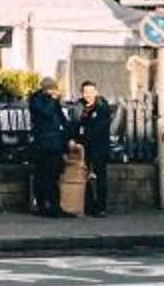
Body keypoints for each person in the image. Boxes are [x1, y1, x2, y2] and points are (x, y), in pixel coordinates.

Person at [26, 76, 72, 216]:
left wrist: (69, 135)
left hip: (56, 143)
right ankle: (43, 205)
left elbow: (61, 118)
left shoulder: (54, 101)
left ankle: (54, 205)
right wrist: (53, 100)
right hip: (43, 143)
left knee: (54, 175)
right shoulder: (36, 100)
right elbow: (45, 113)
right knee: (43, 175)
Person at [71, 81, 115, 217]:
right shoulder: (79, 106)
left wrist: (86, 128)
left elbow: (100, 127)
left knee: (99, 177)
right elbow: (74, 124)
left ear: (96, 92)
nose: (88, 95)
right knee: (85, 176)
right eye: (85, 92)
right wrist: (74, 139)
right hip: (84, 148)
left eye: (91, 92)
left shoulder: (102, 106)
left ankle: (101, 207)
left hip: (99, 147)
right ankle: (89, 205)